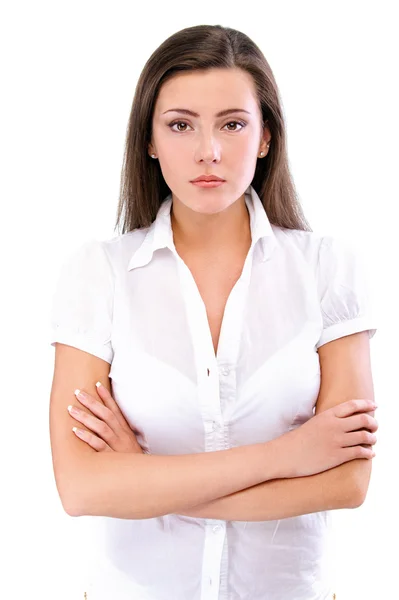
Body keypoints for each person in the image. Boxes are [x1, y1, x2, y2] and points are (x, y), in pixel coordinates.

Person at [49, 24, 378, 600]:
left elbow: (348, 481)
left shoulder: (328, 269)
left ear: (266, 137)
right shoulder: (98, 274)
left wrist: (144, 480)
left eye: (233, 124)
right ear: (148, 140)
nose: (209, 150)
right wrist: (289, 457)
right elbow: (81, 488)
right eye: (180, 125)